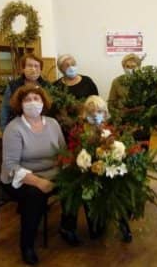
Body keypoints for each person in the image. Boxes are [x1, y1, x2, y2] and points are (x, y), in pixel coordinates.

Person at [0, 85, 65, 265]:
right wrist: (38, 181)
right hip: (19, 177)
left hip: (51, 174)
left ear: (43, 102)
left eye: (36, 99)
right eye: (27, 100)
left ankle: (68, 228)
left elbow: (63, 153)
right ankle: (27, 245)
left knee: (75, 184)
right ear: (20, 104)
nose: (32, 103)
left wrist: (69, 171)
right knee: (34, 196)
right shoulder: (14, 128)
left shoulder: (52, 124)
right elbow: (11, 165)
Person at [60, 95, 133, 243]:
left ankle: (123, 224)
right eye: (91, 111)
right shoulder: (78, 131)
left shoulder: (111, 131)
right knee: (70, 188)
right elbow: (72, 152)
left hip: (105, 174)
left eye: (99, 111)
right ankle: (68, 228)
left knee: (122, 188)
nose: (95, 114)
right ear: (85, 113)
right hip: (84, 174)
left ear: (105, 114)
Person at [0, 53, 49, 132]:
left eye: (36, 66)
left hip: (42, 126)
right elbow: (5, 109)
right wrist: (4, 129)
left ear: (41, 69)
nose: (33, 69)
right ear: (23, 68)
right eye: (29, 65)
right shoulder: (13, 85)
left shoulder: (47, 86)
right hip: (18, 127)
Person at [107, 53, 141, 117]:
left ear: (139, 67)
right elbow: (110, 104)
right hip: (121, 117)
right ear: (123, 67)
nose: (130, 69)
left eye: (133, 66)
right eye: (127, 66)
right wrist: (119, 114)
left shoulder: (145, 81)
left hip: (141, 118)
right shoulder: (117, 82)